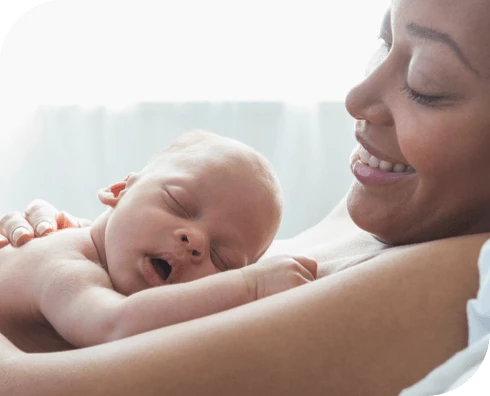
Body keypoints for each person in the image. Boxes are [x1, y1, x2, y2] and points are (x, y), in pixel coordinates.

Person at [1, 0, 490, 394]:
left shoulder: (466, 274)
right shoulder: (395, 206)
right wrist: (73, 246)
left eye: (426, 83)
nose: (356, 98)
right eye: (385, 42)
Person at [0, 129, 318, 352]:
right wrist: (252, 286)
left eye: (224, 261)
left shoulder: (98, 250)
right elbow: (116, 325)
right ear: (118, 191)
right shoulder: (64, 267)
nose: (194, 241)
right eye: (178, 204)